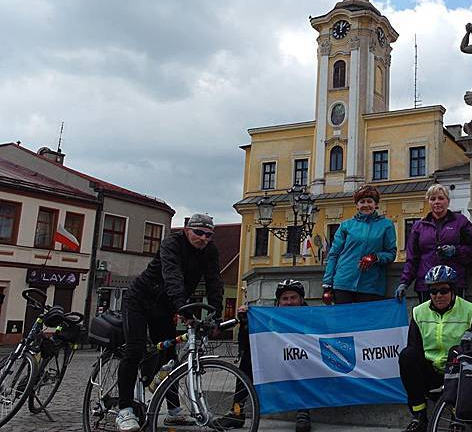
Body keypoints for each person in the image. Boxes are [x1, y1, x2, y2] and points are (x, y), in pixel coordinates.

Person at [116, 214, 224, 432]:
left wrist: (216, 315)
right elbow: (172, 275)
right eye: (199, 232)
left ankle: (173, 412)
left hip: (164, 307)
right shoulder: (172, 244)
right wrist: (182, 306)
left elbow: (214, 280)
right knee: (134, 350)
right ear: (187, 230)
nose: (203, 238)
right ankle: (124, 410)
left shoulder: (210, 251)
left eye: (209, 235)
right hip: (139, 299)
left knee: (170, 356)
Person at [398, 265, 472, 432]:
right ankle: (419, 416)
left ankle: (457, 418)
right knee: (407, 355)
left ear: (453, 290)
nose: (438, 295)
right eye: (433, 291)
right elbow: (414, 347)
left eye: (444, 290)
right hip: (433, 373)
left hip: (462, 376)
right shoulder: (419, 312)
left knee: (458, 351)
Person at [214, 279, 312, 432]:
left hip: (299, 361)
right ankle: (237, 411)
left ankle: (303, 411)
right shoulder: (268, 317)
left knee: (305, 361)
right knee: (248, 358)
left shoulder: (312, 317)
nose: (289, 302)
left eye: (293, 297)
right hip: (276, 361)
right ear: (278, 303)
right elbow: (251, 343)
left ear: (301, 300)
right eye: (285, 298)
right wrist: (246, 324)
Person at [396, 184, 472, 303]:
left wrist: (455, 251)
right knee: (427, 315)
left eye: (441, 198)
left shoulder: (460, 222)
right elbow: (412, 258)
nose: (437, 202)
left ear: (448, 201)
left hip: (453, 282)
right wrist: (404, 282)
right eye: (433, 199)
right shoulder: (419, 226)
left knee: (455, 315)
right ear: (428, 202)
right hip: (426, 284)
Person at [323, 185, 397, 304]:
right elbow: (334, 254)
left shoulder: (386, 225)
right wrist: (327, 284)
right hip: (343, 283)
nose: (366, 205)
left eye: (369, 201)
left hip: (370, 285)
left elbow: (391, 253)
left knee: (366, 316)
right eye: (362, 202)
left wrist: (375, 257)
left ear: (376, 204)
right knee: (343, 316)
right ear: (357, 205)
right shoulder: (346, 225)